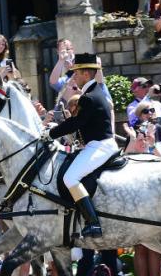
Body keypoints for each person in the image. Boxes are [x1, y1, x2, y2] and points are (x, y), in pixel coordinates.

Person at [44, 54, 118, 238]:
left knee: (70, 178)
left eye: (76, 72)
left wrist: (49, 134)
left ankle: (93, 223)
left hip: (100, 146)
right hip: (98, 144)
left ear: (86, 73)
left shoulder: (88, 97)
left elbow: (76, 123)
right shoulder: (94, 92)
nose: (74, 75)